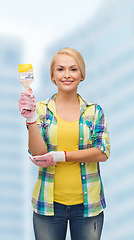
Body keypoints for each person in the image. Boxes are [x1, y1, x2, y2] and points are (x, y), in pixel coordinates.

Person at [18, 47, 110, 240]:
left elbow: (102, 152)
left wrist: (61, 156)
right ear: (52, 75)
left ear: (82, 74)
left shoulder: (94, 112)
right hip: (48, 204)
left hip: (88, 206)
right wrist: (31, 119)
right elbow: (38, 152)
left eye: (73, 69)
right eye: (60, 69)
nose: (67, 75)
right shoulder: (41, 109)